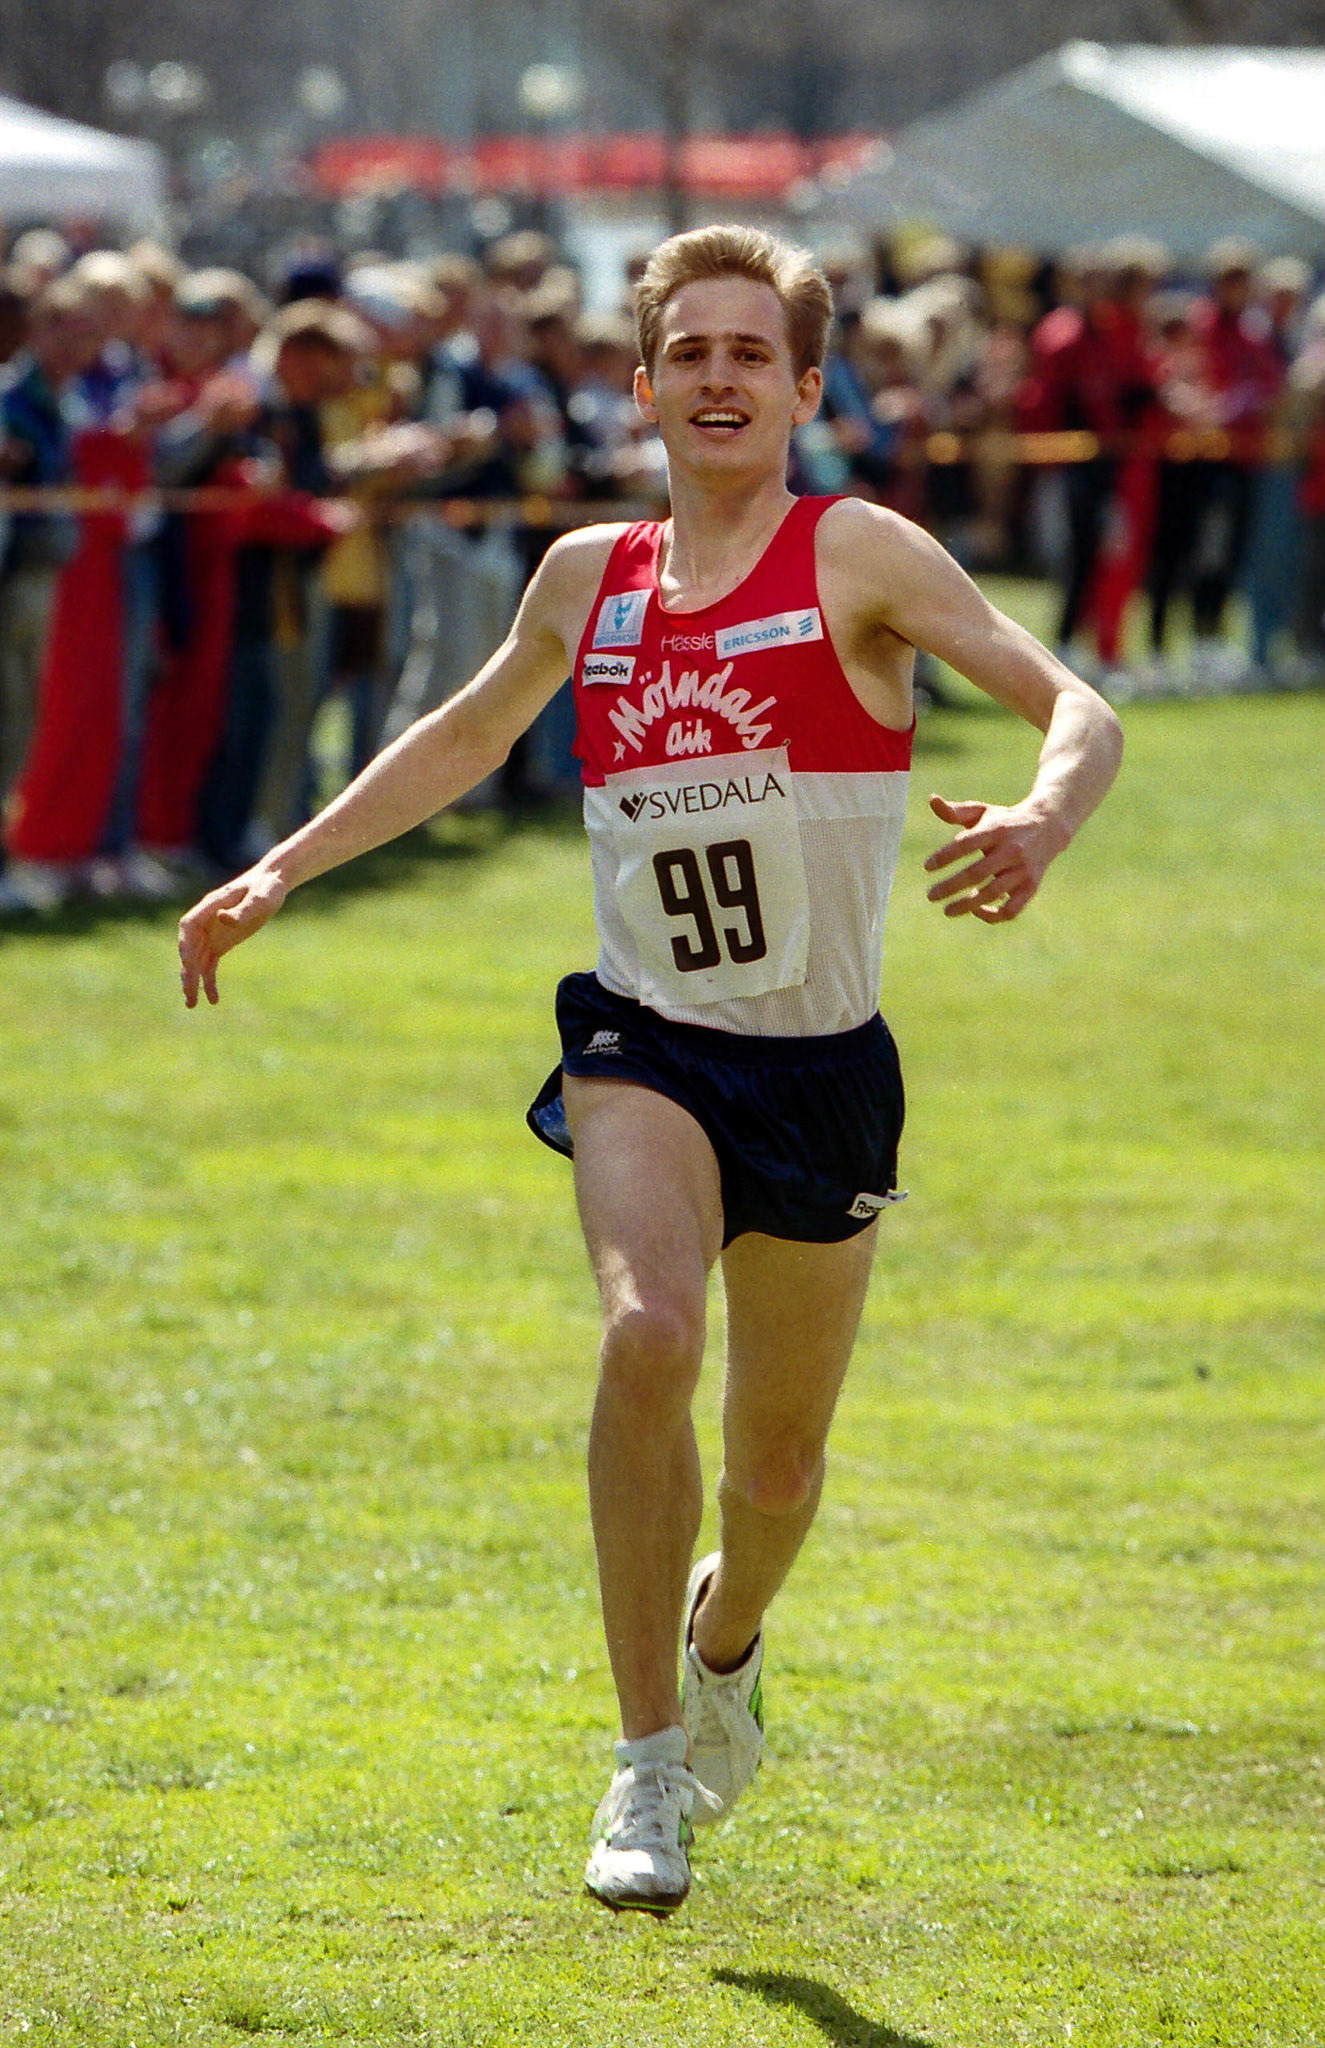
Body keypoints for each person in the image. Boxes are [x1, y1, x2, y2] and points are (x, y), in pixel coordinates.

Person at [177, 224, 1123, 1916]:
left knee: (773, 1475)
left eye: (750, 354)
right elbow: (468, 731)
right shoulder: (586, 574)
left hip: (820, 1066)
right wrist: (281, 869)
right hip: (644, 1040)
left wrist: (1044, 816)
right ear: (642, 385)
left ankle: (726, 1640)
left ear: (805, 390)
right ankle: (644, 1766)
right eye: (689, 352)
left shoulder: (857, 553)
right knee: (646, 1335)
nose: (717, 378)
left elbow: (1075, 704)